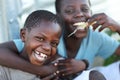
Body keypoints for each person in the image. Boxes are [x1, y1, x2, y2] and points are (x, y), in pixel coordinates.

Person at [0, 0, 120, 79]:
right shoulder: (47, 33)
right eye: (69, 11)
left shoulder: (96, 37)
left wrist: (117, 27)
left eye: (84, 9)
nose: (79, 14)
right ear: (58, 17)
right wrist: (42, 70)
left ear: (91, 12)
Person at [0, 10, 63, 80]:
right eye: (40, 39)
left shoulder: (55, 70)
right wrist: (41, 70)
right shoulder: (4, 70)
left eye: (53, 43)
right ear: (23, 35)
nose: (47, 48)